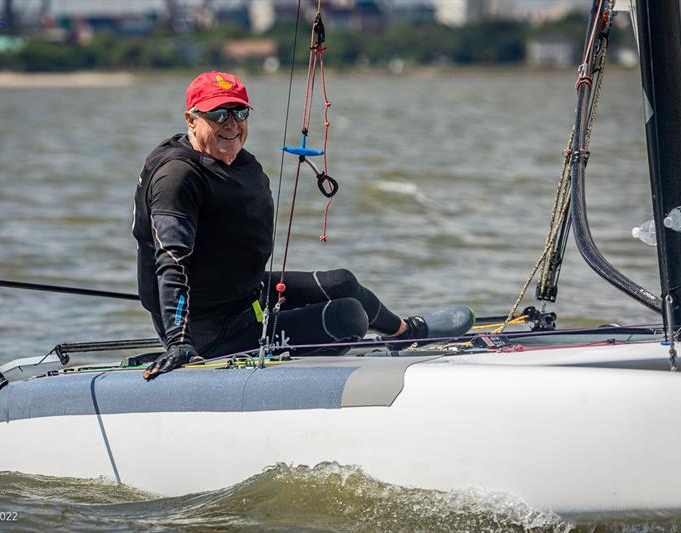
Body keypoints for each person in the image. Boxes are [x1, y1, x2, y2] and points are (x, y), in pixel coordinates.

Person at [133, 71, 474, 380]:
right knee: (347, 318)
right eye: (218, 114)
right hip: (206, 329)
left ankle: (406, 334)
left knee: (342, 283)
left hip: (244, 296)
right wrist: (179, 342)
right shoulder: (177, 177)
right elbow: (171, 262)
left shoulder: (234, 161)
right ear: (191, 120)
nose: (232, 124)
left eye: (240, 113)